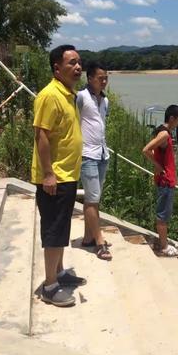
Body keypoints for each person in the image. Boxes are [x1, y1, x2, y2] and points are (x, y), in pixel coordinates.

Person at [31, 45, 86, 307]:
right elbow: (41, 135)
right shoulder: (49, 95)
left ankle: (60, 272)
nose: (78, 68)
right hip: (56, 177)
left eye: (79, 63)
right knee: (54, 231)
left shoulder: (67, 94)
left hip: (67, 173)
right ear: (57, 68)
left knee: (61, 228)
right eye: (72, 63)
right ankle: (50, 286)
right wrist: (48, 174)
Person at [77, 62, 112, 261]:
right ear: (89, 78)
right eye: (100, 78)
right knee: (92, 199)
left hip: (102, 154)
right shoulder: (80, 97)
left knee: (94, 198)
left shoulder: (105, 101)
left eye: (106, 77)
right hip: (87, 154)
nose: (104, 81)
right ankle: (99, 242)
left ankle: (88, 237)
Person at [142, 104, 178, 257]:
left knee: (163, 213)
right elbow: (146, 149)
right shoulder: (165, 135)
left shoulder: (161, 131)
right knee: (163, 215)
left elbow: (153, 150)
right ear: (172, 118)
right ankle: (164, 246)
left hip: (164, 179)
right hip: (166, 180)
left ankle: (163, 241)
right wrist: (159, 166)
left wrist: (158, 163)